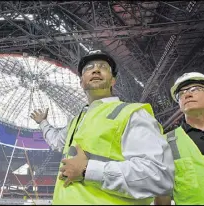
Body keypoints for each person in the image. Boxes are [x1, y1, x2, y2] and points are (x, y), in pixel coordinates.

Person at [30, 50, 174, 205]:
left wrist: (88, 170)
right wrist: (43, 122)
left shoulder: (132, 114)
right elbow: (57, 142)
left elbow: (158, 176)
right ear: (81, 82)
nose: (96, 69)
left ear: (113, 81)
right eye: (88, 68)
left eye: (103, 67)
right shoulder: (77, 120)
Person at [154, 72, 204, 205]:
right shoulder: (165, 142)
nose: (187, 94)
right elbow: (162, 195)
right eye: (181, 93)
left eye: (195, 89)